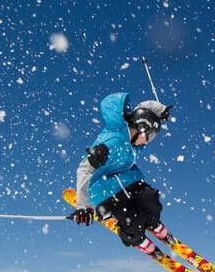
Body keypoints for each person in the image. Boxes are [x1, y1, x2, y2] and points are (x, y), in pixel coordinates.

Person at [71, 91, 172, 254]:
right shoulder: (112, 141)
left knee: (150, 198)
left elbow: (147, 109)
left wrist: (161, 112)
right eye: (151, 135)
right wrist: (83, 205)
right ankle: (137, 238)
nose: (149, 140)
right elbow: (84, 169)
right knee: (132, 221)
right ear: (141, 127)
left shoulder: (135, 142)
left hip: (128, 180)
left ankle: (153, 222)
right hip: (105, 192)